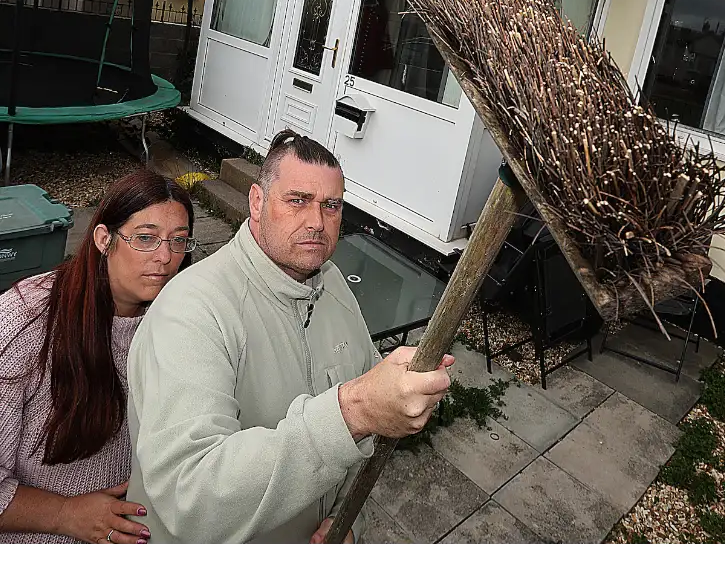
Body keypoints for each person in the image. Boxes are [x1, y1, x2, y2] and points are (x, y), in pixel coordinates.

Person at [124, 129, 454, 545]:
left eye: (331, 206)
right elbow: (191, 501)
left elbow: (368, 429)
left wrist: (348, 518)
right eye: (297, 200)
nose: (316, 222)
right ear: (257, 202)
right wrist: (353, 411)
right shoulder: (191, 312)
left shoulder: (331, 283)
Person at [0, 168, 196, 545]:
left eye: (178, 241)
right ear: (104, 239)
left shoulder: (180, 320)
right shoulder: (25, 321)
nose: (165, 257)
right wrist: (64, 514)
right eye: (145, 238)